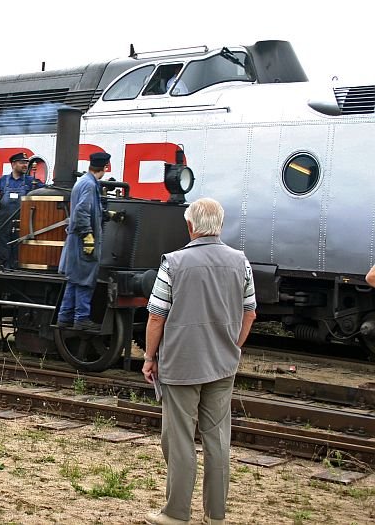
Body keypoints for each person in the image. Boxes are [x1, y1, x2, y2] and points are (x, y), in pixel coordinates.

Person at [142, 197, 257, 525]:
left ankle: (176, 513)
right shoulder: (241, 262)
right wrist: (232, 346)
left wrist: (149, 357)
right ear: (220, 225)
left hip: (181, 364)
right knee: (217, 439)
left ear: (190, 226)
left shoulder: (173, 263)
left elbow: (156, 317)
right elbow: (250, 313)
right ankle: (215, 516)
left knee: (179, 439)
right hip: (223, 364)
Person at [56, 152, 111, 333]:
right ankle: (81, 318)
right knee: (85, 279)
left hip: (75, 239)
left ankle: (64, 316)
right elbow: (81, 212)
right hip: (82, 240)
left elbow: (87, 209)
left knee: (74, 279)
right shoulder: (89, 184)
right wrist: (88, 236)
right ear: (104, 167)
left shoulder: (83, 182)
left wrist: (107, 215)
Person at [0, 152, 42, 269]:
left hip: (22, 218)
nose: (25, 165)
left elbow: (45, 191)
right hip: (3, 217)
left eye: (26, 163)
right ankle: (3, 267)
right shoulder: (3, 180)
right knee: (2, 242)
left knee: (19, 243)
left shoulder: (31, 181)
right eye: (22, 163)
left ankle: (16, 267)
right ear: (13, 164)